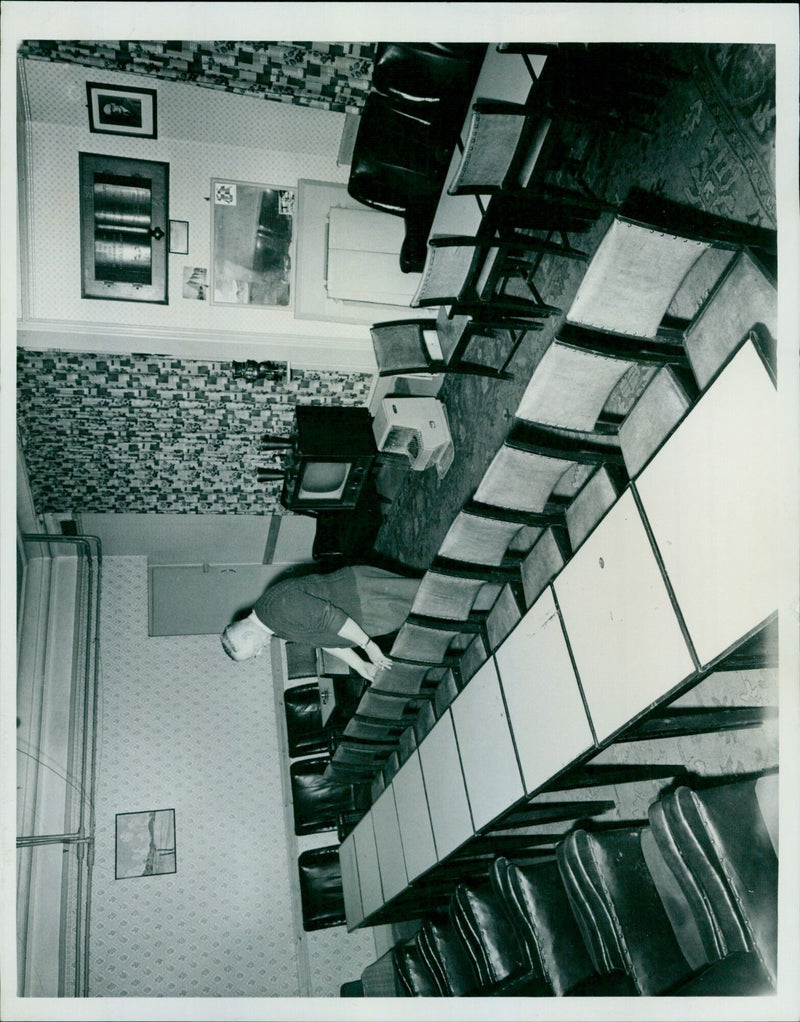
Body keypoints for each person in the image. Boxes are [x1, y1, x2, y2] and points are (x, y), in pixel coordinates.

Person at [220, 564, 421, 681]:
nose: (260, 652)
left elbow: (332, 619)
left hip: (361, 598)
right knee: (427, 607)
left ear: (247, 635)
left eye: (253, 651)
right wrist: (361, 665)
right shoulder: (272, 623)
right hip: (360, 612)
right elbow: (324, 639)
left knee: (430, 597)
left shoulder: (276, 609)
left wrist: (368, 646)